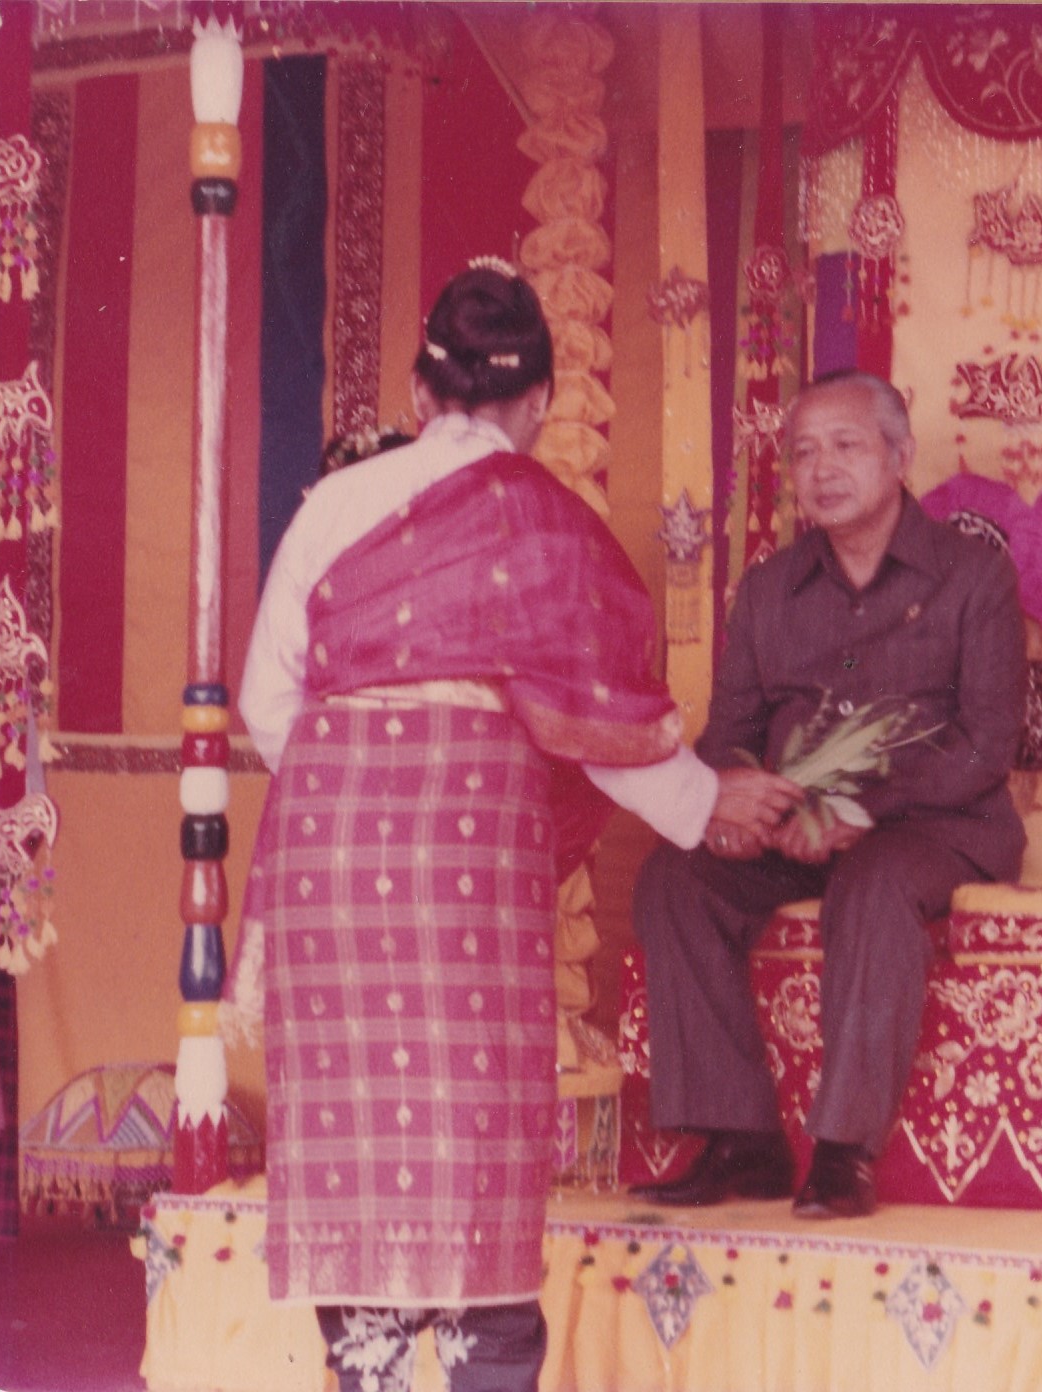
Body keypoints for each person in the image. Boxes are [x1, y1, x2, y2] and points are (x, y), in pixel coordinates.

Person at [230, 261, 798, 1392]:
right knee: (472, 1150)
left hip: (329, 857)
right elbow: (602, 727)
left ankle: (369, 1375)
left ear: (416, 390)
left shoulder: (331, 507)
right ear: (540, 400)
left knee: (359, 1155)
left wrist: (365, 777)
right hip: (464, 863)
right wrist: (706, 803)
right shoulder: (552, 523)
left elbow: (263, 703)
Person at [631, 369, 1026, 1220]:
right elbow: (729, 734)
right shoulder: (772, 590)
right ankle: (743, 1140)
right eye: (804, 452)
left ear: (900, 455)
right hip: (791, 830)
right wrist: (728, 807)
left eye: (847, 446)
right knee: (675, 878)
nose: (823, 470)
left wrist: (857, 812)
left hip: (935, 826)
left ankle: (844, 1153)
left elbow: (987, 745)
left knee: (873, 881)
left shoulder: (972, 575)